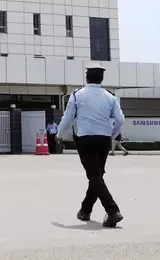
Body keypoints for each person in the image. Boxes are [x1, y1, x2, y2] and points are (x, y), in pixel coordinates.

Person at [56, 63, 125, 228]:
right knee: (97, 176)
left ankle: (113, 210)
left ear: (87, 77)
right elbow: (121, 120)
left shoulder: (77, 95)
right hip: (104, 140)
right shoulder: (110, 96)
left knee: (94, 176)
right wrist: (112, 135)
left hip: (86, 139)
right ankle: (85, 210)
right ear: (101, 78)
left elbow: (67, 118)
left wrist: (59, 134)